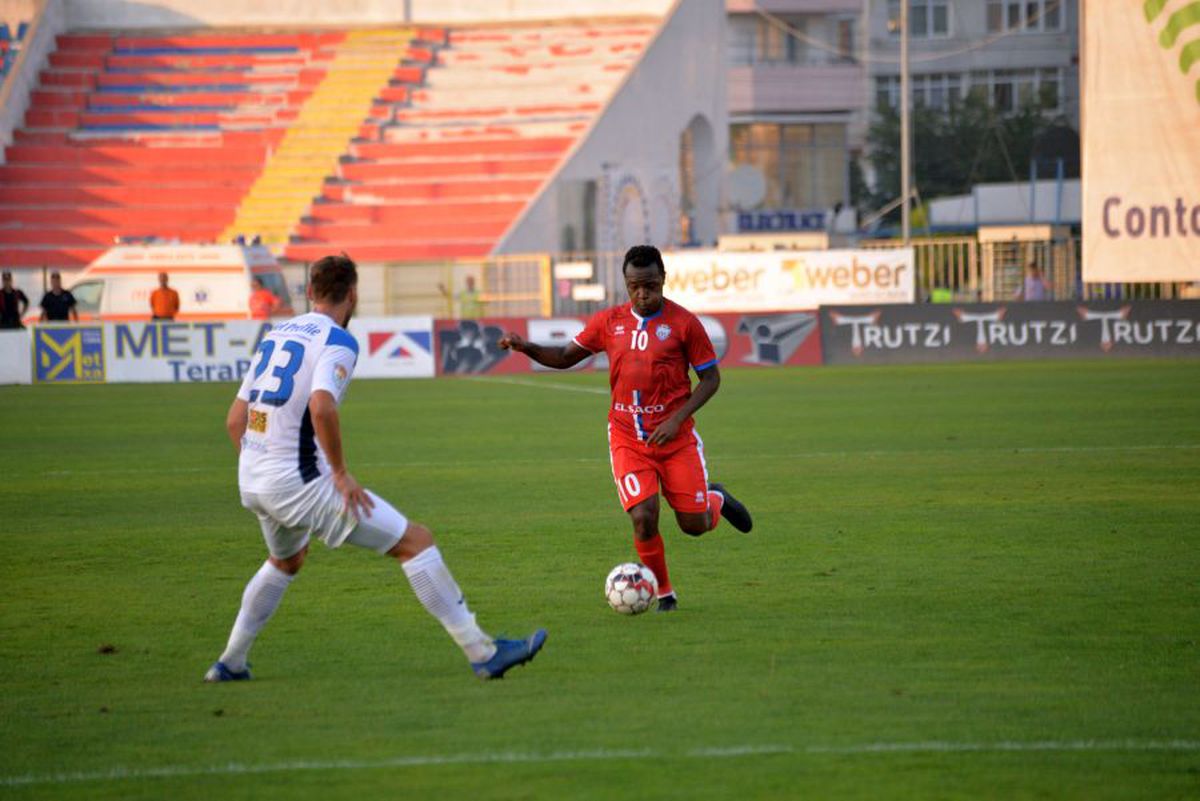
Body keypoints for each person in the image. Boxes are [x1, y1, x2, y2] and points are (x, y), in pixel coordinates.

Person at [206, 254, 545, 683]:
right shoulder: (338, 340)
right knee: (415, 542)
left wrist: (260, 466)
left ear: (309, 292)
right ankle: (484, 652)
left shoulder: (275, 334)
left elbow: (235, 420)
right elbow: (322, 404)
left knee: (285, 560)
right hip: (299, 480)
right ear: (352, 295)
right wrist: (341, 473)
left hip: (253, 476)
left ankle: (230, 663)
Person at [499, 245, 752, 613]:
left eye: (650, 285)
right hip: (627, 438)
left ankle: (717, 498)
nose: (643, 294)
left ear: (663, 279)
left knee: (694, 526)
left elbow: (711, 379)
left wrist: (677, 419)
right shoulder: (608, 322)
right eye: (635, 286)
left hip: (675, 438)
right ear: (626, 284)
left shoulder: (684, 324)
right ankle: (664, 594)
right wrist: (526, 347)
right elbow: (565, 357)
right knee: (643, 516)